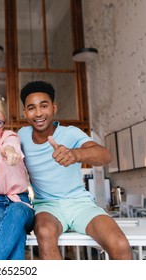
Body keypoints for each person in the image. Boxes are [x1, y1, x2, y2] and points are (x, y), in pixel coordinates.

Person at [17, 80, 132, 260]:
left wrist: (75, 154)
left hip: (80, 203)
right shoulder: (20, 136)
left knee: (120, 244)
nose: (38, 113)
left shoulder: (70, 133)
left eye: (44, 106)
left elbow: (105, 155)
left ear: (54, 108)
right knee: (45, 234)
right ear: (25, 112)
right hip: (47, 206)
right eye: (31, 108)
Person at [0, 99, 35, 260]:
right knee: (16, 233)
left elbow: (11, 146)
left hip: (21, 203)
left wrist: (10, 152)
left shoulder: (9, 137)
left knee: (16, 212)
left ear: (4, 124)